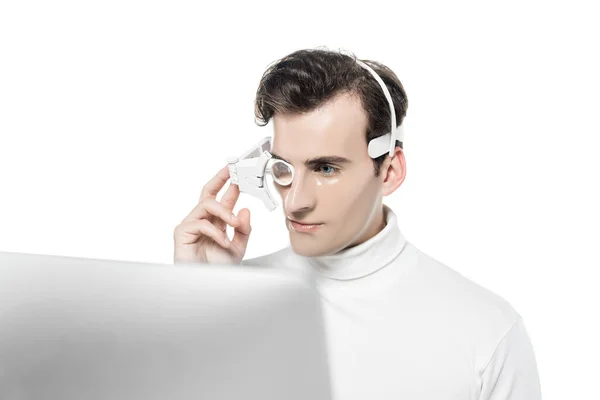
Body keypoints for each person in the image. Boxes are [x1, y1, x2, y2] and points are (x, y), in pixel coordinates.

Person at [173, 48, 543, 399]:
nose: (296, 200)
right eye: (284, 168)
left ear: (389, 171)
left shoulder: (486, 331)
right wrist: (201, 297)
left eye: (326, 168)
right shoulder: (231, 299)